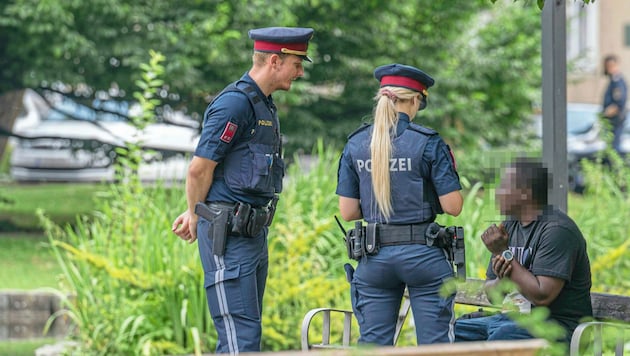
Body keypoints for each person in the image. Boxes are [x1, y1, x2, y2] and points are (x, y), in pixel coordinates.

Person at [171, 26, 314, 354]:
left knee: (246, 335)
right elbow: (199, 169)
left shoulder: (263, 105)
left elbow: (224, 171)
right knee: (240, 341)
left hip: (250, 234)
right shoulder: (235, 104)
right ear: (275, 61)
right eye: (297, 63)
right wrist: (197, 214)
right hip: (228, 236)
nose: (301, 71)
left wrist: (200, 206)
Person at [335, 63, 464, 345]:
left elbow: (348, 212)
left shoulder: (356, 144)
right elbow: (453, 206)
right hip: (423, 255)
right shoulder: (428, 143)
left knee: (372, 345)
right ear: (416, 99)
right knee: (436, 347)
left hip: (375, 257)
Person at [454, 157, 592, 344]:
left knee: (504, 336)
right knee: (453, 331)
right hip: (511, 320)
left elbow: (542, 296)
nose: (497, 193)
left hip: (558, 328)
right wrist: (503, 278)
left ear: (525, 193)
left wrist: (504, 253)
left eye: (504, 186)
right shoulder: (509, 227)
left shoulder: (557, 230)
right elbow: (492, 295)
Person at [602, 54, 627, 155]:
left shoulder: (617, 81)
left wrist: (605, 113)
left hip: (615, 120)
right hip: (611, 120)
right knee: (610, 147)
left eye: (611, 66)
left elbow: (619, 103)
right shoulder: (612, 80)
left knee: (614, 149)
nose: (609, 69)